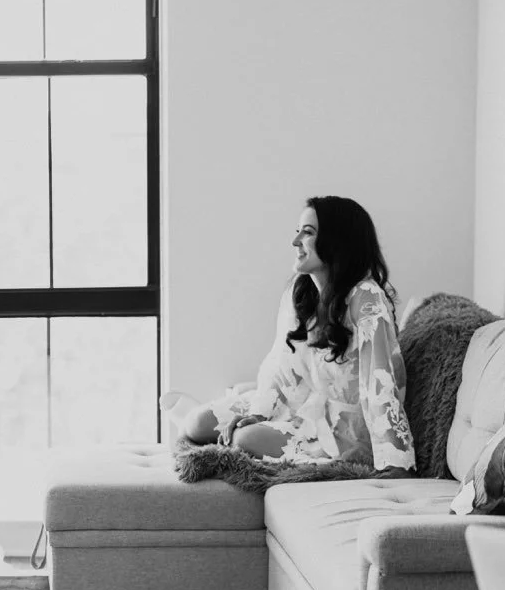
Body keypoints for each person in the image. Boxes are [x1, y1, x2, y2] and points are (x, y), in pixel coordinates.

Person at [161, 196, 417, 473]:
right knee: (196, 424)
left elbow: (380, 384)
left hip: (346, 434)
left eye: (307, 233)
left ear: (337, 241)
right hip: (303, 405)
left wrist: (395, 459)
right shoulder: (301, 290)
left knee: (244, 438)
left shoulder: (366, 299)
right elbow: (281, 365)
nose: (295, 242)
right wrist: (259, 411)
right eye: (297, 231)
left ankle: (231, 420)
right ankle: (200, 412)